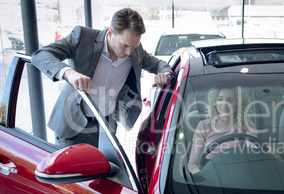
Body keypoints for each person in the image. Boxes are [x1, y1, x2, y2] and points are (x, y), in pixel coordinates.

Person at [31, 8, 174, 148]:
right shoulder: (82, 37)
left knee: (105, 171)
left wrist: (165, 75)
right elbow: (40, 55)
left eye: (133, 46)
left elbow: (161, 65)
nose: (129, 52)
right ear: (110, 32)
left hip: (107, 127)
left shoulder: (135, 51)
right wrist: (69, 73)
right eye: (124, 45)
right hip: (73, 125)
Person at [188, 87, 258, 173]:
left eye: (230, 100)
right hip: (211, 175)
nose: (225, 104)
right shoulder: (203, 126)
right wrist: (203, 179)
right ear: (215, 102)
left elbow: (253, 145)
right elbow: (192, 164)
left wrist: (263, 149)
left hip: (240, 173)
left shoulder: (247, 124)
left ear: (238, 103)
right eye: (220, 99)